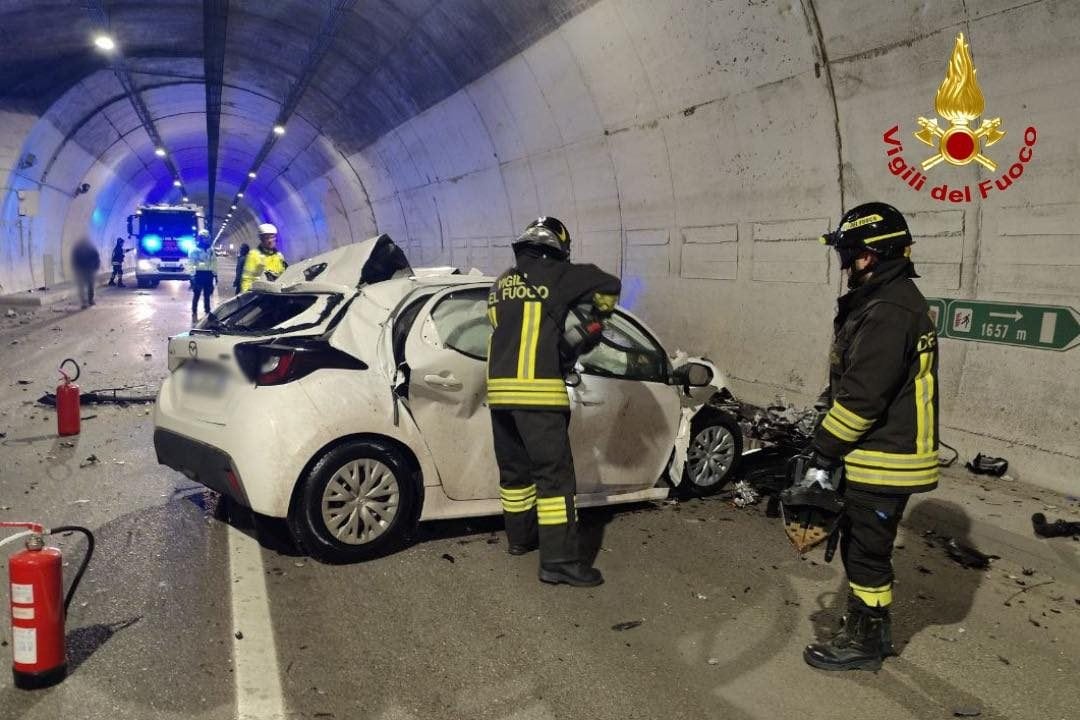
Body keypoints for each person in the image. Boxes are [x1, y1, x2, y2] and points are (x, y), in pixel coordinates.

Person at [783, 202, 939, 672]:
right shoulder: (886, 300)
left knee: (867, 556)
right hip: (880, 455)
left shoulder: (889, 309)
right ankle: (868, 630)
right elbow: (854, 381)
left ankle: (866, 642)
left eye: (848, 254)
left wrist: (821, 451)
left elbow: (863, 400)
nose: (845, 264)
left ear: (869, 255)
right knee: (859, 549)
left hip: (886, 459)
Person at [487, 217, 621, 587]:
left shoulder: (501, 283)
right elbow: (610, 284)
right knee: (555, 480)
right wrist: (594, 323)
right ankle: (560, 562)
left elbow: (499, 323)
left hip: (499, 395)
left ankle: (520, 539)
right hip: (538, 395)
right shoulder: (559, 274)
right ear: (557, 247)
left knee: (515, 475)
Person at [240, 223, 287, 292]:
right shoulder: (254, 255)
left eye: (272, 237)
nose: (270, 241)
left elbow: (284, 275)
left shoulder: (279, 256)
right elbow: (247, 278)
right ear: (261, 239)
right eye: (267, 238)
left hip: (276, 294)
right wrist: (245, 295)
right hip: (259, 294)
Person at [187, 229, 217, 323]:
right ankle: (194, 313)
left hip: (208, 274)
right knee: (197, 295)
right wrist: (192, 276)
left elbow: (214, 262)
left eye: (207, 238)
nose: (206, 240)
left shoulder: (210, 250)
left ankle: (207, 312)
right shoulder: (194, 250)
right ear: (200, 238)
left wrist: (215, 275)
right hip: (198, 274)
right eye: (205, 238)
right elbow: (191, 263)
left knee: (207, 295)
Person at [70, 236, 101, 309]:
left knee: (84, 286)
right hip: (87, 270)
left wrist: (96, 267)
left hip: (85, 270)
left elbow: (96, 259)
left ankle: (85, 302)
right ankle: (88, 301)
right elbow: (97, 259)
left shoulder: (79, 250)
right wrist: (96, 267)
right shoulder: (90, 249)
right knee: (88, 286)